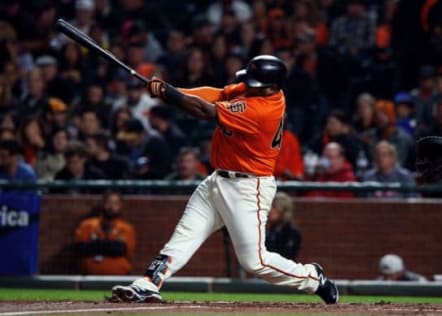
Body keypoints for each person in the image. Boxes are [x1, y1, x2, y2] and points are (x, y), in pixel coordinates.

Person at [111, 55, 338, 304]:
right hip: (217, 180)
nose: (247, 86)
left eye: (254, 83)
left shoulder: (263, 110)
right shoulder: (254, 89)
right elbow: (215, 94)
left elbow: (203, 110)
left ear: (273, 87)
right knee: (184, 235)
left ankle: (313, 278)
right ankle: (148, 282)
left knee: (255, 261)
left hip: (248, 187)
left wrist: (169, 95)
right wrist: (172, 91)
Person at [75, 190, 136, 275]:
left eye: (115, 203)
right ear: (102, 203)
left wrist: (95, 243)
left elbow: (121, 250)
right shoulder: (87, 225)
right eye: (108, 202)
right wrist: (113, 245)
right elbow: (81, 249)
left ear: (120, 206)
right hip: (89, 278)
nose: (111, 207)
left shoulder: (126, 228)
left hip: (119, 278)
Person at [265, 192, 302, 261]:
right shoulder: (270, 231)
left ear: (282, 210)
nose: (269, 210)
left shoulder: (291, 233)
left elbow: (285, 257)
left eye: (273, 207)